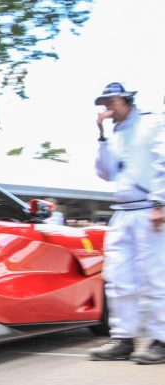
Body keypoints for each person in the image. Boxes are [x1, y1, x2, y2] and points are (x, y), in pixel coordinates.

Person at [88, 82, 165, 364]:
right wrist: (101, 136)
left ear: (127, 99)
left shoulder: (153, 123)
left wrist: (160, 201)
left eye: (111, 100)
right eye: (104, 102)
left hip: (150, 209)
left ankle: (163, 340)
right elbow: (106, 173)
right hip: (123, 210)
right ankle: (123, 338)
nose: (106, 107)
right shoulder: (116, 133)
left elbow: (163, 161)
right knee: (118, 278)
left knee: (156, 277)